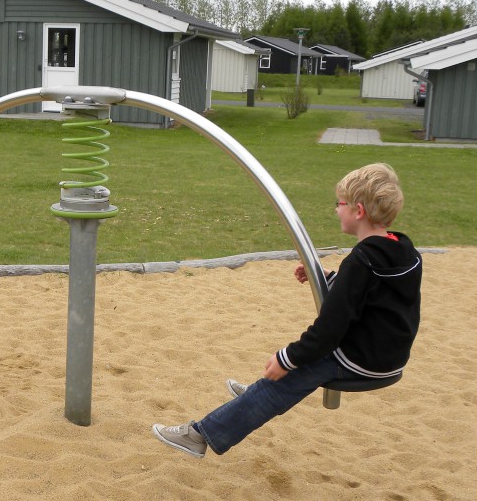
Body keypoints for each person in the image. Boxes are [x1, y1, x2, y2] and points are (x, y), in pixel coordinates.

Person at [152, 163, 422, 458]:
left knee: (287, 375)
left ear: (358, 211)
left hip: (360, 357)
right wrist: (335, 279)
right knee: (282, 376)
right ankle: (257, 393)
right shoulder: (404, 250)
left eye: (339, 203)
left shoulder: (360, 261)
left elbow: (328, 332)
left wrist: (288, 359)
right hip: (390, 353)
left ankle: (201, 435)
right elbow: (376, 296)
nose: (335, 210)